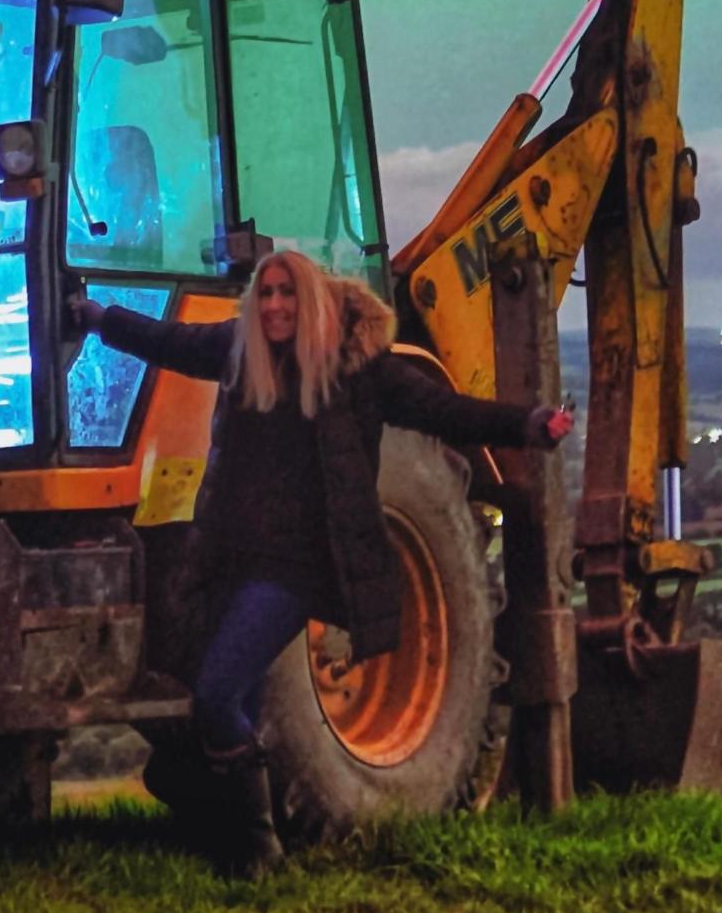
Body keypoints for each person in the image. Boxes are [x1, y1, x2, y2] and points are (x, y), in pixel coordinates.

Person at [63, 249, 570, 876]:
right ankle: (230, 842)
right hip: (229, 560)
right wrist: (97, 317)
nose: (275, 306)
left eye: (287, 294)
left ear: (310, 303)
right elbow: (169, 339)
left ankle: (259, 850)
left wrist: (530, 424)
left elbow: (444, 412)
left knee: (217, 695)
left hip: (292, 569)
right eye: (266, 295)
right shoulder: (241, 354)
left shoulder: (356, 373)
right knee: (231, 702)